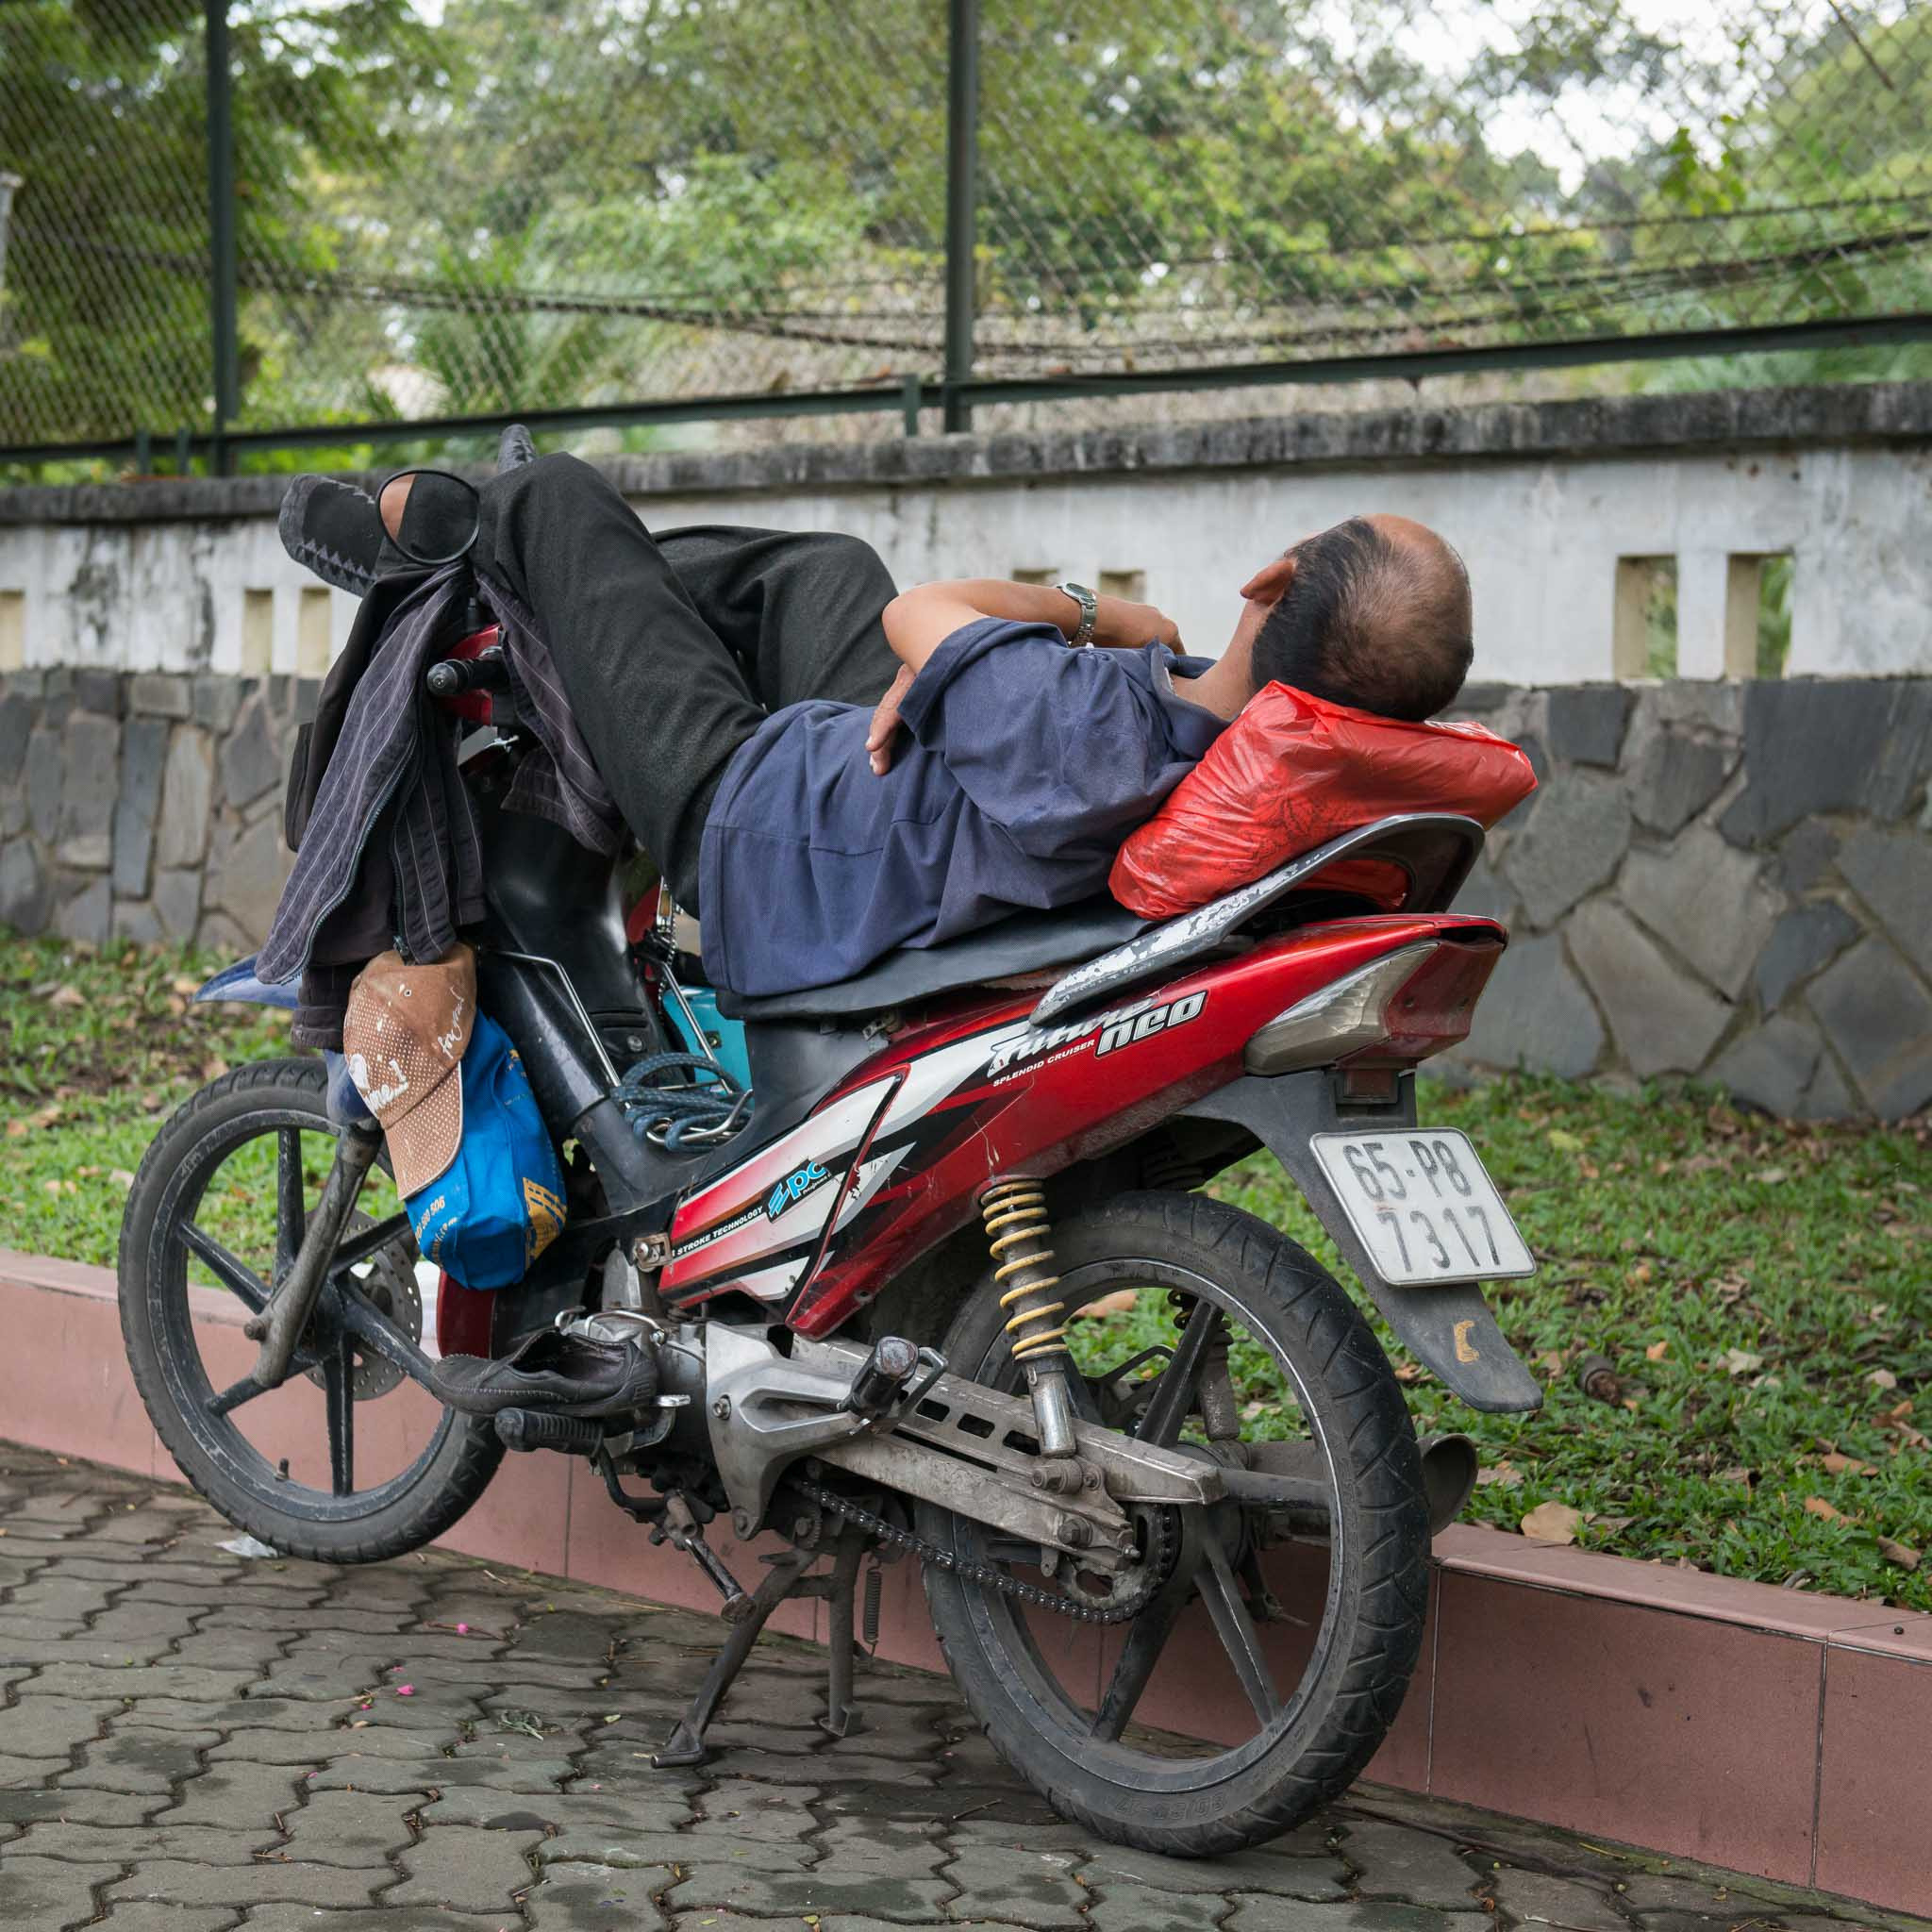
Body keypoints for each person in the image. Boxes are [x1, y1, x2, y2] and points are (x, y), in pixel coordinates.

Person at [369, 453, 1474, 1001]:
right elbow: (918, 636)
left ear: (1270, 577)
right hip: (906, 784)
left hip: (760, 818)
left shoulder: (1090, 716)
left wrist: (1099, 616)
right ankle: (588, 606)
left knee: (555, 496)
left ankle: (419, 530)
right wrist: (958, 671)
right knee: (825, 571)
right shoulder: (1219, 751)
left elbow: (918, 613)